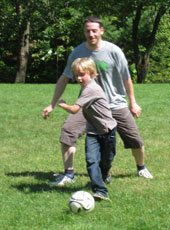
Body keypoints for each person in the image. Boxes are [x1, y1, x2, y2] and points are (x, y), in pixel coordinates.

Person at [42, 15, 153, 186]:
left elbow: (126, 77)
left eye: (94, 30)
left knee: (134, 139)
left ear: (101, 31)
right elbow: (64, 78)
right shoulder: (78, 52)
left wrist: (133, 102)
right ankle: (69, 174)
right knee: (68, 131)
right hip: (88, 106)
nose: (91, 34)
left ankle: (141, 168)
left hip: (115, 104)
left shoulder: (114, 51)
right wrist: (51, 104)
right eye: (88, 31)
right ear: (84, 32)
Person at [58, 57, 116, 201]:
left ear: (91, 73)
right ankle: (100, 190)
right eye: (76, 75)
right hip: (93, 132)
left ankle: (106, 173)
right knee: (91, 161)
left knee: (106, 161)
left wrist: (63, 104)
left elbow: (74, 110)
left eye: (81, 74)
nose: (78, 78)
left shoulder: (91, 89)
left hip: (108, 130)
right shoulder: (85, 87)